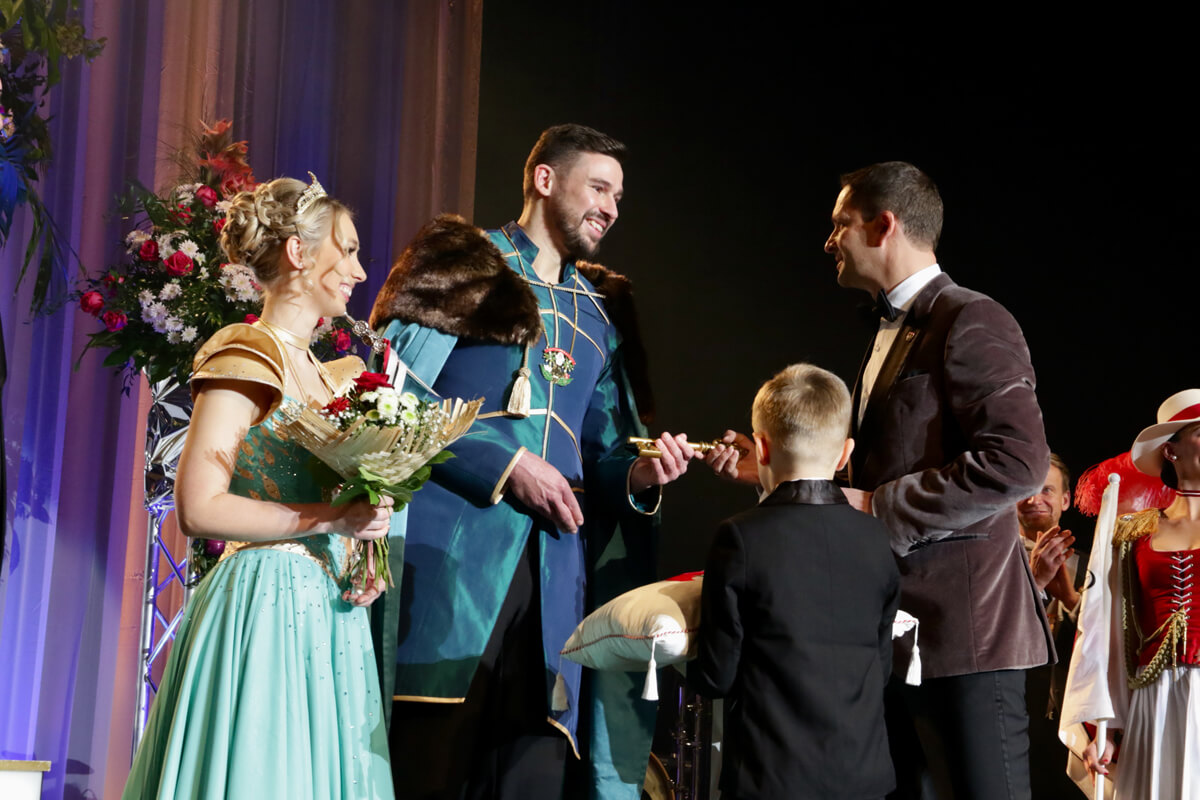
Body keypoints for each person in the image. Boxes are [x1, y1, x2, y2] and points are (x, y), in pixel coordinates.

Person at [708, 161, 1052, 800]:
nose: (829, 241)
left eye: (839, 224)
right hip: (892, 633)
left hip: (967, 639)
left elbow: (1017, 461)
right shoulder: (890, 331)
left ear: (883, 225)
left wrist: (877, 506)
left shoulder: (973, 318)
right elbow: (879, 465)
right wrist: (781, 471)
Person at [369, 124, 694, 800]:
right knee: (428, 768)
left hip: (555, 588)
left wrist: (639, 474)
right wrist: (505, 464)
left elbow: (604, 450)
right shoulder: (461, 265)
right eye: (598, 188)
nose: (611, 208)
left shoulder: (600, 316)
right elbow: (386, 398)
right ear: (545, 180)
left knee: (533, 772)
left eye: (618, 196)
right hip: (451, 569)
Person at [122, 175, 395, 799]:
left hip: (331, 615)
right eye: (348, 250)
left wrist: (364, 547)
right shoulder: (247, 354)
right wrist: (331, 520)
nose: (359, 272)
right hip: (266, 604)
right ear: (299, 252)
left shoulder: (337, 377)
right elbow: (199, 507)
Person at [691, 363, 900, 800]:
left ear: (761, 448)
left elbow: (717, 675)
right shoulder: (875, 537)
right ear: (844, 455)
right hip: (864, 777)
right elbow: (881, 669)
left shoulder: (740, 537)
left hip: (769, 778)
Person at [1081, 389, 1200, 800]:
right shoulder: (1133, 531)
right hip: (1155, 695)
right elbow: (1106, 629)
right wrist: (1104, 726)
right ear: (1171, 450)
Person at [1017, 454, 1086, 798]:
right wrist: (1035, 585)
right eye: (1025, 489)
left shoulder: (1092, 566)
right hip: (1012, 714)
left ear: (1066, 499)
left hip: (1071, 725)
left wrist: (1072, 601)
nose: (1034, 499)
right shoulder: (990, 567)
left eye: (1046, 489)